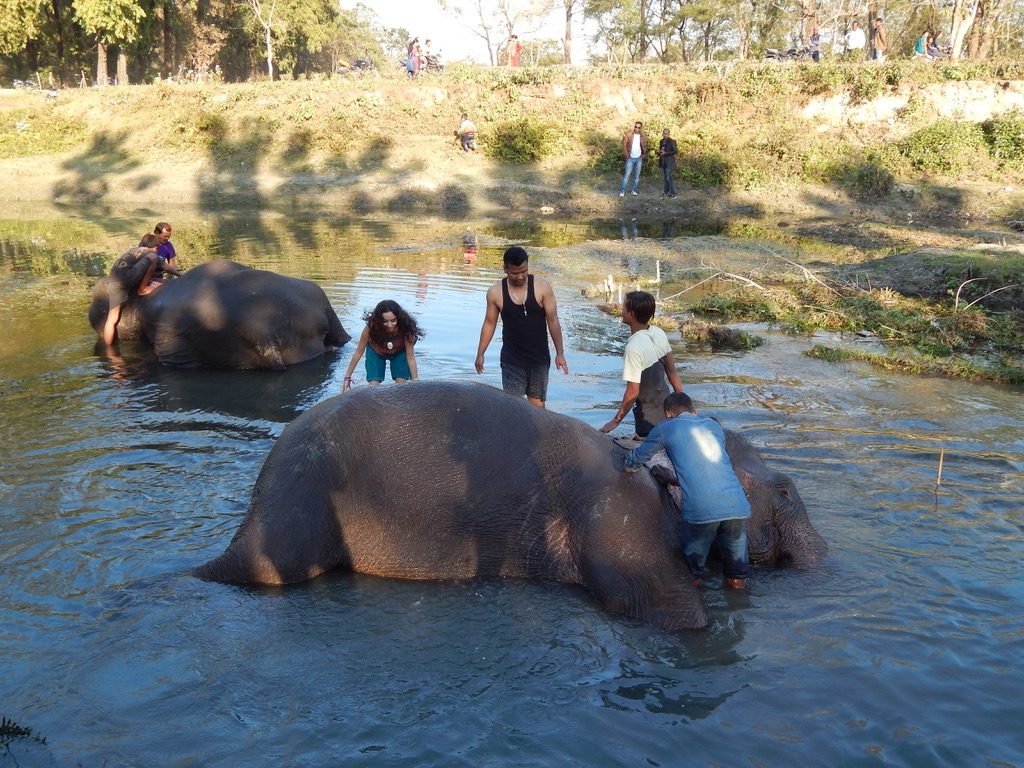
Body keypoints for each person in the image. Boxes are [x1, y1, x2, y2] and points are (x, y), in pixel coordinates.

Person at [623, 392, 751, 589]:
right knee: (737, 575)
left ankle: (694, 607)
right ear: (694, 412)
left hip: (701, 510)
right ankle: (738, 605)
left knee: (690, 575)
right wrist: (675, 479)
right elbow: (709, 467)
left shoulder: (665, 428)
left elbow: (639, 457)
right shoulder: (713, 426)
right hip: (737, 506)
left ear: (668, 414)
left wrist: (628, 464)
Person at [475, 245, 568, 408]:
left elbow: (553, 321)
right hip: (511, 359)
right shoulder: (495, 292)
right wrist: (480, 353)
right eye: (514, 273)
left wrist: (560, 353)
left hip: (538, 359)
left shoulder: (542, 287)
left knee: (537, 408)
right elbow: (489, 323)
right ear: (505, 269)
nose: (520, 276)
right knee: (513, 408)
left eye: (524, 271)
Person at [600, 290, 683, 437]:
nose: (621, 310)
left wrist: (616, 420)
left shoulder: (633, 347)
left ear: (631, 314)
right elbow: (672, 372)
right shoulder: (658, 332)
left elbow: (633, 391)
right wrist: (683, 406)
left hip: (648, 416)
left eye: (624, 307)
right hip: (668, 410)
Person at [342, 300, 423, 392]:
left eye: (393, 321)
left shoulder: (406, 329)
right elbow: (359, 352)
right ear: (379, 320)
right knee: (373, 386)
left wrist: (415, 381)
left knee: (402, 385)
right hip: (376, 351)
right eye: (385, 321)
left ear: (399, 318)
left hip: (399, 352)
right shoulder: (370, 328)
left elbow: (410, 357)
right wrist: (347, 377)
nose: (389, 325)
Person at [102, 239, 161, 345]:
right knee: (153, 257)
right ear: (154, 247)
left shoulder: (133, 251)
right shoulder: (149, 252)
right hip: (125, 278)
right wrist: (180, 275)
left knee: (111, 319)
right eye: (157, 249)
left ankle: (108, 350)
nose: (157, 251)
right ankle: (142, 289)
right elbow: (165, 266)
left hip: (113, 279)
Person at [619, 121, 648, 197]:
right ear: (634, 127)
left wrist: (643, 155)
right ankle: (622, 191)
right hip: (630, 158)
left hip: (639, 159)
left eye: (639, 127)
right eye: (636, 126)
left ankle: (634, 190)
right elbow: (624, 145)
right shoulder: (629, 135)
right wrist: (627, 155)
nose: (637, 128)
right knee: (627, 175)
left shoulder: (643, 137)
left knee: (636, 176)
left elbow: (645, 146)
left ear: (641, 128)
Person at [657, 128, 678, 199]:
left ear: (669, 134)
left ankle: (672, 193)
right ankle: (666, 192)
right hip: (663, 162)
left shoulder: (672, 141)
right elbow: (661, 151)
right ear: (662, 134)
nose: (665, 135)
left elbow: (675, 151)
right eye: (664, 133)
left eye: (666, 133)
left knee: (669, 178)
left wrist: (666, 153)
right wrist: (659, 152)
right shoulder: (661, 141)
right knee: (665, 178)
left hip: (669, 162)